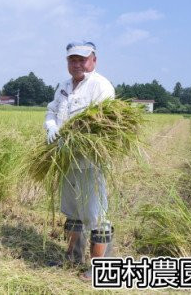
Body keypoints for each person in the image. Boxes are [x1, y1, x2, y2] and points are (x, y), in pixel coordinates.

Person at [44, 41, 115, 280]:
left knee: (96, 214)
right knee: (73, 211)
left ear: (93, 60)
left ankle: (100, 268)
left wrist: (77, 138)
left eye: (82, 59)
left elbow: (104, 124)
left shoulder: (100, 86)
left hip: (90, 161)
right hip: (67, 160)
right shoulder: (63, 86)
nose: (77, 64)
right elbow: (52, 110)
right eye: (72, 60)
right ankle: (73, 258)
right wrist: (51, 125)